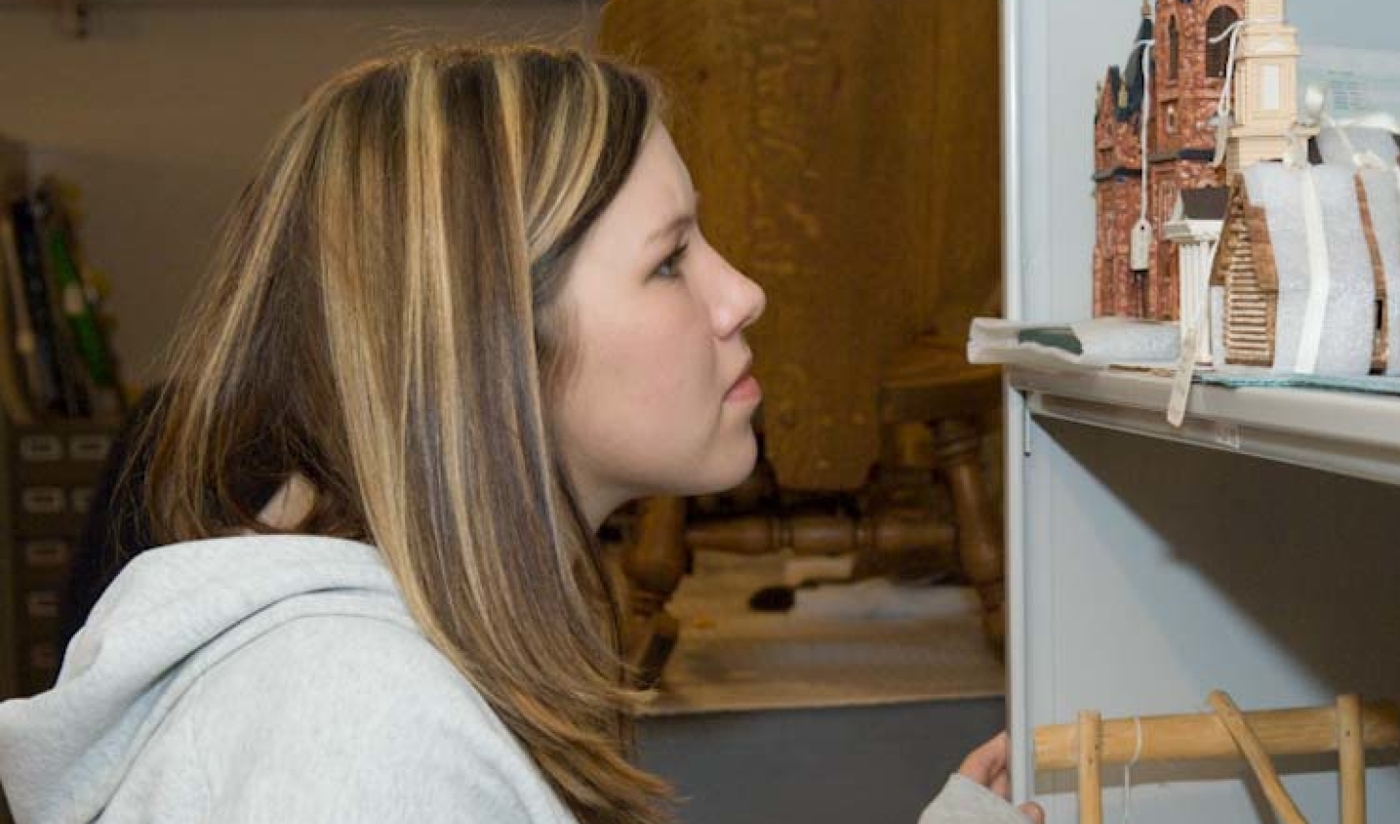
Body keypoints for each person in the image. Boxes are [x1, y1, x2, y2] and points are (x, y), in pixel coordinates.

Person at [0, 45, 1043, 824]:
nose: (744, 293)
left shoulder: (386, 684)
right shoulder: (362, 733)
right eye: (671, 260)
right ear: (488, 337)